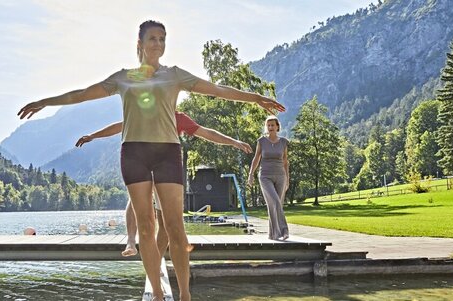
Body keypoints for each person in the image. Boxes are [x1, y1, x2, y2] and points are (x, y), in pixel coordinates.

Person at [18, 20, 284, 301]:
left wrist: (255, 98)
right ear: (140, 44)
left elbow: (216, 89)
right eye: (152, 39)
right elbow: (83, 94)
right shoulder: (123, 78)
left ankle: (185, 295)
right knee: (145, 225)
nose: (158, 44)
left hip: (168, 152)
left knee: (175, 227)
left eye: (162, 38)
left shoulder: (175, 75)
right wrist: (46, 101)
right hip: (134, 153)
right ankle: (157, 294)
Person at [76, 112, 252, 258]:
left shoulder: (178, 118)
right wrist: (93, 135)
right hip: (143, 163)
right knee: (136, 198)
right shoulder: (145, 113)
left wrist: (234, 142)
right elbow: (121, 125)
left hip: (166, 170)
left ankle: (157, 259)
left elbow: (206, 133)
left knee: (165, 222)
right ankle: (131, 240)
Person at [247, 116, 290, 241]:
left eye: (273, 125)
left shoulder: (283, 142)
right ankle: (284, 230)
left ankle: (273, 235)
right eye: (268, 125)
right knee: (275, 201)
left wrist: (287, 179)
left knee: (275, 205)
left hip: (281, 176)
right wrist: (251, 174)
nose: (270, 127)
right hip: (265, 176)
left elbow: (285, 162)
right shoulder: (261, 141)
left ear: (277, 127)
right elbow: (256, 158)